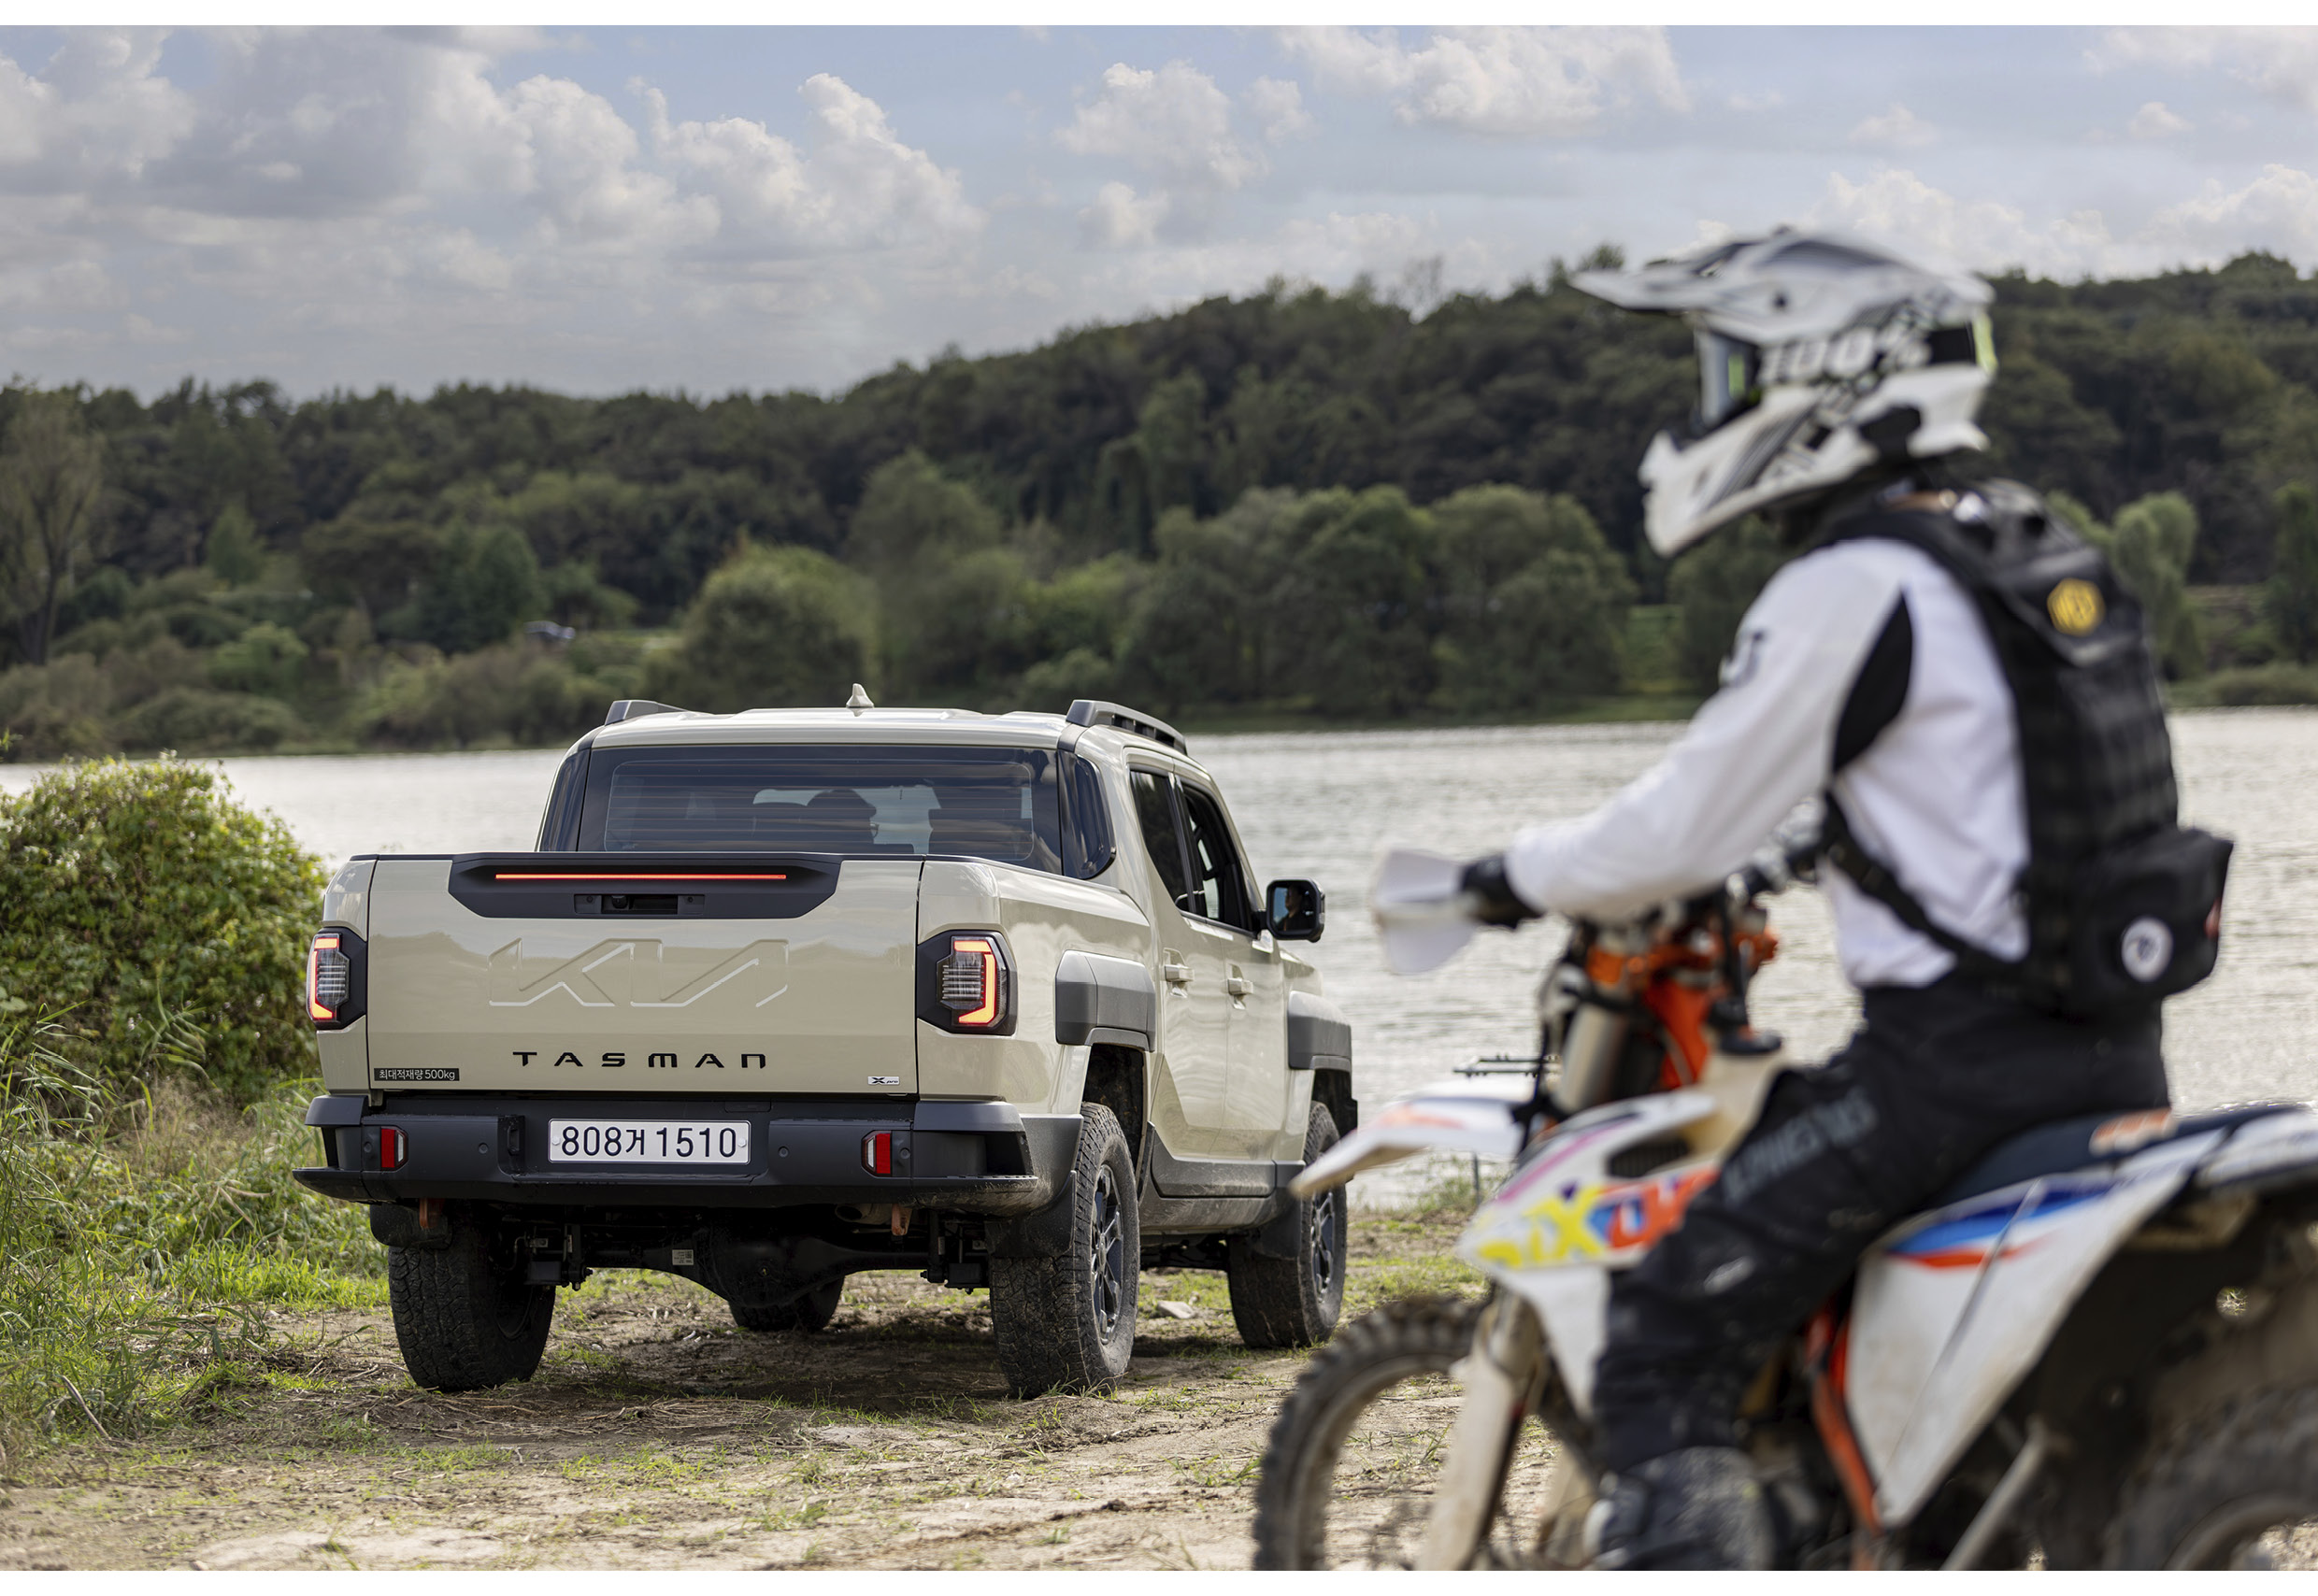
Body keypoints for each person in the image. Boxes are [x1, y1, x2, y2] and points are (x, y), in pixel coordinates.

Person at [1450, 231, 2224, 1568]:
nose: (1713, 408)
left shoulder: (1854, 583)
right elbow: (1982, 792)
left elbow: (1676, 825)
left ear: (1827, 376)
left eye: (1732, 371)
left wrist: (1508, 874)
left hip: (1949, 1077)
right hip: (2113, 1058)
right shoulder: (2027, 548)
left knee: (1662, 1332)